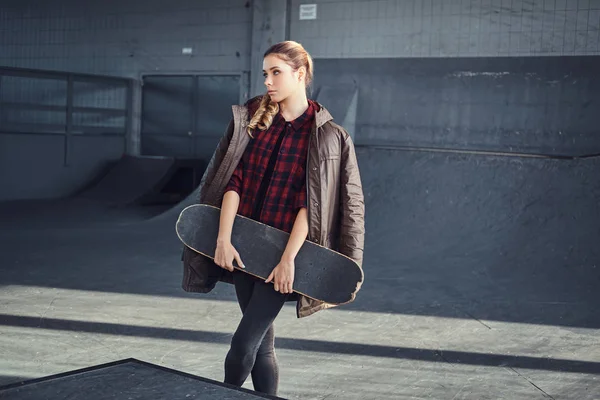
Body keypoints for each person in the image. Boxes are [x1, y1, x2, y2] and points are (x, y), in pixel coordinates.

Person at [181, 40, 365, 396]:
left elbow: (309, 205)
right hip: (243, 247)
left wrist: (287, 261)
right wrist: (223, 239)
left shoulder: (325, 135)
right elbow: (234, 181)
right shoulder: (255, 116)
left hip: (284, 255)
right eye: (265, 73)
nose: (267, 81)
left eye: (276, 73)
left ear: (300, 74)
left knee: (243, 343)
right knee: (262, 346)